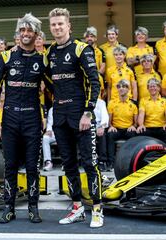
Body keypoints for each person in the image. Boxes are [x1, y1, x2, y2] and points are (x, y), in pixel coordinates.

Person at [46, 8, 103, 228]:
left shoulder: (82, 49)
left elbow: (94, 83)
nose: (57, 27)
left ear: (69, 26)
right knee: (69, 165)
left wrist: (88, 112)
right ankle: (77, 207)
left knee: (90, 163)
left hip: (82, 117)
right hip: (60, 117)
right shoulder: (50, 52)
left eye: (61, 24)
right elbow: (49, 81)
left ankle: (97, 209)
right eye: (53, 25)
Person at [0, 13, 46, 224]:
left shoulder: (43, 59)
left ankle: (33, 208)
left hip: (32, 118)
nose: (25, 34)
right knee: (10, 166)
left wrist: (47, 114)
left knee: (32, 166)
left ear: (36, 34)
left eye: (29, 30)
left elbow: (52, 88)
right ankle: (8, 207)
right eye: (22, 30)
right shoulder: (6, 57)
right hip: (10, 118)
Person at [107, 79, 138, 170]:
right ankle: (111, 162)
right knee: (110, 135)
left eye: (124, 87)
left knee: (133, 134)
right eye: (119, 87)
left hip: (128, 128)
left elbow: (135, 122)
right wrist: (111, 126)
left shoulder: (133, 105)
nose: (121, 89)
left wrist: (133, 126)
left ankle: (130, 161)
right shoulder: (112, 103)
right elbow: (109, 120)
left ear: (128, 89)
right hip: (116, 128)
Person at [137, 78, 166, 147]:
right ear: (148, 88)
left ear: (159, 88)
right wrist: (141, 125)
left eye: (154, 86)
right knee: (140, 132)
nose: (152, 88)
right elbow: (141, 114)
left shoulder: (164, 101)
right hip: (148, 127)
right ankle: (146, 156)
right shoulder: (143, 100)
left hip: (161, 127)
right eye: (150, 86)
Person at [84, 26, 106, 98]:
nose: (89, 38)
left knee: (97, 100)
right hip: (83, 80)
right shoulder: (81, 50)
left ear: (95, 38)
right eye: (87, 36)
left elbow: (102, 68)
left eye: (92, 36)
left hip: (96, 79)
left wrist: (95, 77)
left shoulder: (100, 51)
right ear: (85, 39)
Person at [94, 98, 109, 171]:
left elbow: (105, 115)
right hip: (86, 126)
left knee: (102, 135)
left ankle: (102, 161)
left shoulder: (101, 102)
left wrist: (102, 127)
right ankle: (90, 160)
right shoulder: (81, 100)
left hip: (99, 125)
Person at [42, 107, 56, 171]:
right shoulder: (52, 109)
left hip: (65, 132)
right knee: (45, 138)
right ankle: (48, 162)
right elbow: (50, 122)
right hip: (55, 132)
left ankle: (66, 163)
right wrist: (49, 130)